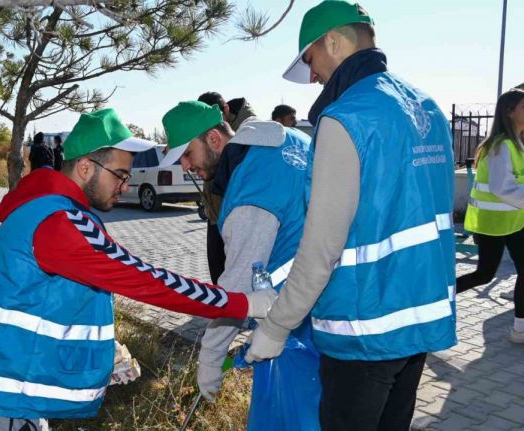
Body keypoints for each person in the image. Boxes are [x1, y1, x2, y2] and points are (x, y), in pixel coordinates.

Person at [0, 108, 277, 431]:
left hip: (1, 388)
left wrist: (100, 356)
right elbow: (146, 279)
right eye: (121, 175)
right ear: (86, 168)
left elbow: (42, 305)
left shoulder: (45, 210)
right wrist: (241, 303)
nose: (126, 186)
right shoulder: (59, 222)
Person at [244, 2, 457, 431]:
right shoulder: (427, 109)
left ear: (335, 43)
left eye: (311, 59)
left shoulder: (346, 118)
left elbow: (322, 247)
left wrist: (276, 328)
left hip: (364, 332)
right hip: (419, 322)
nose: (314, 75)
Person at [159, 101, 319, 430]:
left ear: (214, 140)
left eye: (187, 154)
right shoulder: (291, 141)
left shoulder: (249, 192)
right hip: (335, 311)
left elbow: (235, 286)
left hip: (297, 331)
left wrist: (210, 360)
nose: (186, 167)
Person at [458, 89, 524, 343]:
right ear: (509, 112)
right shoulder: (500, 147)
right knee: (484, 275)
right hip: (492, 223)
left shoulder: (519, 144)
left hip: (516, 221)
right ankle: (438, 299)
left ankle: (519, 329)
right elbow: (501, 188)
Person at [195, 91, 258, 284]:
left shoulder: (250, 134)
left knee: (239, 277)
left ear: (226, 110)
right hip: (215, 216)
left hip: (239, 218)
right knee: (218, 273)